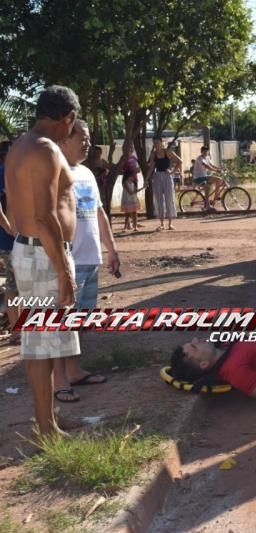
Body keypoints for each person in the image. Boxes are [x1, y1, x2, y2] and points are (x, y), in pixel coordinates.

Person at [4, 85, 82, 437]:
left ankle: (46, 419)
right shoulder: (46, 150)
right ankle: (45, 427)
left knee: (45, 342)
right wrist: (65, 272)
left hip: (32, 250)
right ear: (67, 119)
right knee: (40, 344)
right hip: (43, 254)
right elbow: (47, 216)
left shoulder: (20, 146)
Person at [51, 120, 121, 402]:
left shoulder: (87, 173)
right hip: (69, 260)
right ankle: (59, 381)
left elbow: (99, 214)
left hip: (90, 259)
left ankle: (75, 371)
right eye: (83, 138)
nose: (88, 143)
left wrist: (111, 249)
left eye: (89, 138)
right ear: (65, 139)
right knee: (62, 323)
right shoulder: (54, 171)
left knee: (80, 321)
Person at [0, 141, 20, 344]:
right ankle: (16, 331)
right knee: (14, 284)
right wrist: (9, 228)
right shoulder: (3, 172)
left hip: (21, 238)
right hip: (10, 240)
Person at [145, 137, 181, 231]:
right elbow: (151, 167)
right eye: (154, 143)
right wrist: (146, 179)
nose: (156, 145)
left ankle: (170, 223)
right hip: (157, 176)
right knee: (159, 200)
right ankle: (161, 223)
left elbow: (179, 161)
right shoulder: (154, 154)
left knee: (169, 199)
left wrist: (172, 172)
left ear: (161, 143)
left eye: (157, 143)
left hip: (167, 176)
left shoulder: (167, 152)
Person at [191, 145, 223, 211]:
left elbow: (212, 165)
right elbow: (207, 166)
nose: (205, 152)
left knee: (219, 180)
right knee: (208, 188)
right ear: (201, 151)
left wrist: (220, 169)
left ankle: (216, 196)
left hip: (204, 177)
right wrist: (216, 170)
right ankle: (208, 207)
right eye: (204, 151)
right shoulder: (199, 158)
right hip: (198, 178)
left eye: (207, 151)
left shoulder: (207, 157)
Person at [121, 157, 144, 231]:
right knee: (127, 214)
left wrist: (142, 188)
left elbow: (134, 191)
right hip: (128, 199)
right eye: (132, 176)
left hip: (132, 199)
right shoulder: (125, 183)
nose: (133, 177)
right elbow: (131, 192)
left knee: (134, 212)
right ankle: (126, 226)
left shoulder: (132, 183)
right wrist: (140, 189)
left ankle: (135, 226)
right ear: (129, 176)